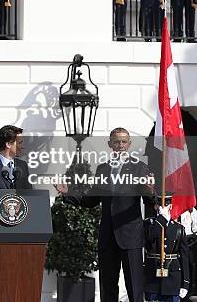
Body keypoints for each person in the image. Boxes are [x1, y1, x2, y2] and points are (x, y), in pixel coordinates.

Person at [55, 127, 154, 302]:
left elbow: (148, 200)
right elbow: (91, 199)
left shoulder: (140, 168)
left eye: (124, 142)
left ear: (129, 144)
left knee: (135, 286)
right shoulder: (103, 169)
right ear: (110, 144)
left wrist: (150, 191)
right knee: (107, 286)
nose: (120, 145)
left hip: (130, 235)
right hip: (107, 235)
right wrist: (68, 192)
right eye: (116, 142)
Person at [144, 192, 190, 302]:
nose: (163, 207)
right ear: (156, 206)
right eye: (160, 205)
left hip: (172, 279)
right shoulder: (148, 224)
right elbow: (150, 237)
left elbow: (184, 257)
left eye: (166, 204)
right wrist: (161, 219)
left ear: (171, 206)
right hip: (152, 280)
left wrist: (185, 283)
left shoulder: (179, 228)